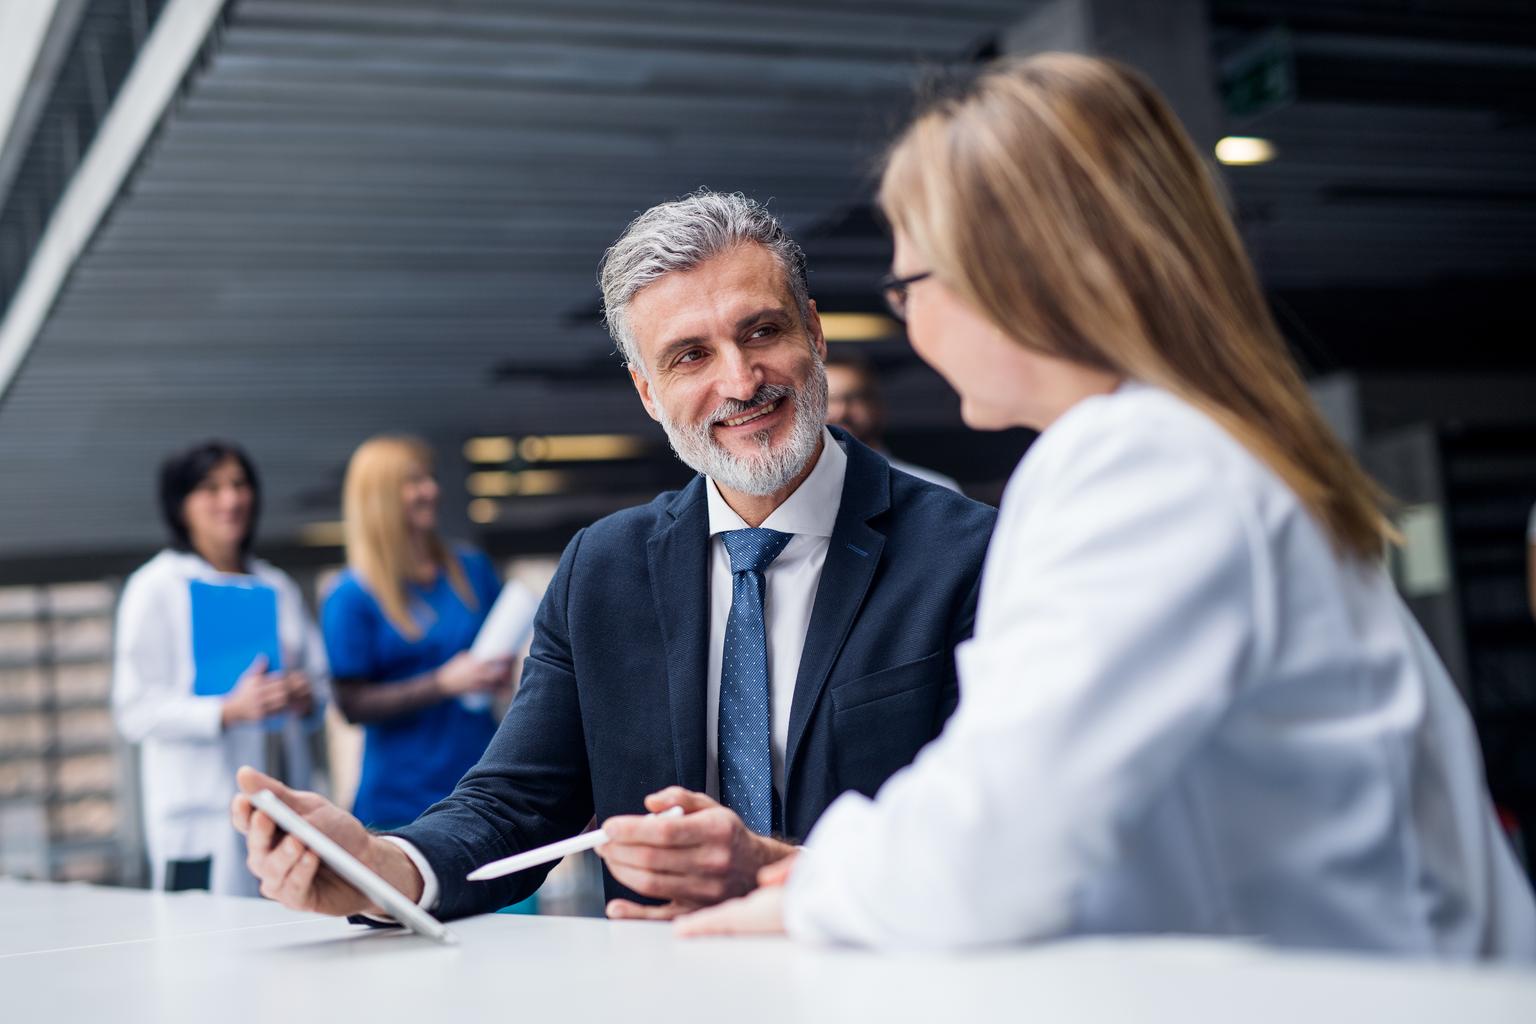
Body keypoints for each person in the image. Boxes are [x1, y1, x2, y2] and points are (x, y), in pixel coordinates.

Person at [676, 55, 1536, 960]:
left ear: (1010, 274)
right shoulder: (1189, 445)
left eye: (908, 289)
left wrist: (815, 887)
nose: (910, 325)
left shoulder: (1141, 465)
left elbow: (999, 843)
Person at [231, 190, 996, 923]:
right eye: (690, 356)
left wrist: (774, 867)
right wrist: (376, 866)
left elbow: (1001, 828)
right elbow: (515, 805)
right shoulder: (603, 570)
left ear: (815, 332)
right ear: (647, 393)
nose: (739, 380)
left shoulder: (968, 555)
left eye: (762, 331)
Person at [113, 440, 329, 896]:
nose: (231, 500)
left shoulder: (276, 585)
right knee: (203, 947)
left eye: (239, 485)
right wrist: (228, 711)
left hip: (284, 805)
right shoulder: (155, 587)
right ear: (181, 506)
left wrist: (303, 693)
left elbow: (321, 684)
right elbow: (134, 711)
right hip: (200, 816)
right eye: (211, 488)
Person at [321, 435, 512, 829]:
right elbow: (351, 704)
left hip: (482, 781)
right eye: (414, 482)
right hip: (401, 799)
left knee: (508, 889)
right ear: (380, 498)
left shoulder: (471, 569)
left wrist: (501, 674)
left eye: (430, 477)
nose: (431, 490)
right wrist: (443, 683)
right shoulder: (351, 595)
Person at [825, 349, 961, 492]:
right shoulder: (801, 491)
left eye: (855, 397)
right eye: (827, 400)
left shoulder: (935, 491)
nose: (841, 411)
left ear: (878, 405)